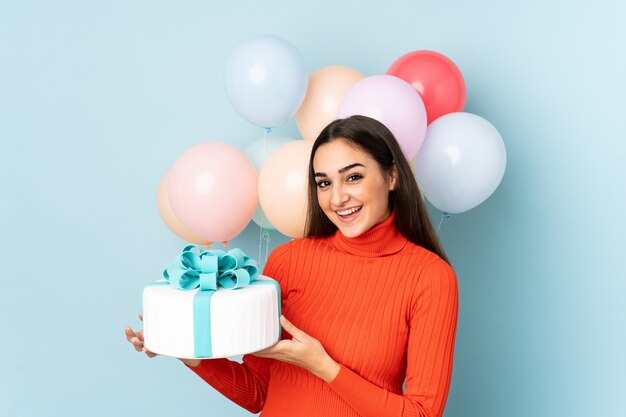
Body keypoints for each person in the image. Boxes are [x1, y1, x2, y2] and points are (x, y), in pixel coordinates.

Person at [125, 115, 458, 417]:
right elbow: (259, 392)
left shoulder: (429, 277)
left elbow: (422, 414)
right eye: (324, 182)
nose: (337, 198)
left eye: (353, 177)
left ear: (392, 176)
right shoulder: (289, 261)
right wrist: (184, 348)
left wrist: (324, 366)